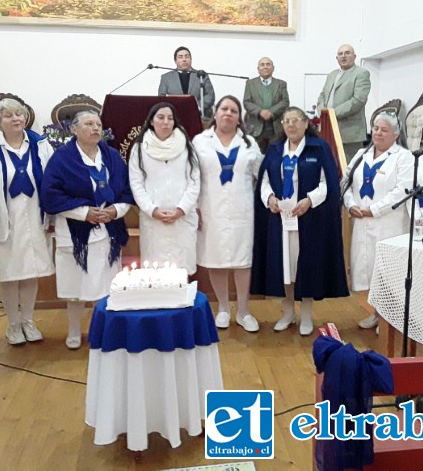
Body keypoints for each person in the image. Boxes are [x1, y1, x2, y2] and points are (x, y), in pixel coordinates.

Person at [251, 107, 349, 336]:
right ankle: (287, 313)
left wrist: (309, 201)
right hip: (280, 220)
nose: (291, 125)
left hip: (308, 220)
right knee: (283, 267)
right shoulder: (275, 150)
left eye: (296, 120)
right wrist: (270, 198)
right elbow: (264, 180)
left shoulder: (319, 148)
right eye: (286, 121)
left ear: (306, 124)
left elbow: (328, 183)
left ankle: (306, 315)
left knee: (305, 266)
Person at [40, 111, 134, 349]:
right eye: (89, 124)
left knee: (106, 284)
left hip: (108, 229)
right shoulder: (62, 158)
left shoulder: (111, 156)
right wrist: (84, 213)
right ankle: (73, 330)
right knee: (76, 285)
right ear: (73, 130)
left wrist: (115, 211)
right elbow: (51, 196)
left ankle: (103, 328)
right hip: (76, 233)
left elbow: (125, 190)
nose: (95, 128)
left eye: (99, 124)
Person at [0, 98, 54, 345]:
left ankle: (29, 321)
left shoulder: (41, 145)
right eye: (9, 115)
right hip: (6, 219)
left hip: (34, 215)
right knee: (10, 273)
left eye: (19, 114)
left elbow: (52, 180)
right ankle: (13, 324)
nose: (16, 119)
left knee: (31, 272)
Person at [193, 96, 262, 332]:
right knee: (217, 259)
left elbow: (261, 174)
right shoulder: (200, 141)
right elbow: (193, 176)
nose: (228, 113)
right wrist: (195, 207)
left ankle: (243, 311)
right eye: (224, 109)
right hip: (210, 208)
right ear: (215, 113)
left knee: (242, 262)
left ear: (239, 116)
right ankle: (222, 308)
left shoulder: (249, 142)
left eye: (234, 110)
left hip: (242, 210)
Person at [341, 112, 412, 330]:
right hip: (361, 220)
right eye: (376, 128)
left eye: (384, 130)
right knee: (369, 268)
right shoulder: (362, 154)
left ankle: (390, 320)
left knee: (388, 271)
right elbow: (347, 180)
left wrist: (374, 210)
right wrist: (350, 203)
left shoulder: (404, 157)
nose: (378, 133)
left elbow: (403, 190)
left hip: (387, 223)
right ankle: (376, 313)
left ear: (396, 134)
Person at [128, 102, 200, 274]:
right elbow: (136, 183)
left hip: (182, 218)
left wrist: (182, 209)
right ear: (151, 121)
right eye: (160, 118)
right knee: (155, 272)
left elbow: (194, 181)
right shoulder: (140, 148)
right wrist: (151, 210)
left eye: (170, 118)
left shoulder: (186, 147)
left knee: (182, 271)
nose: (166, 122)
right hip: (153, 219)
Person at [316, 44, 371, 162]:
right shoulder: (332, 74)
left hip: (349, 132)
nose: (343, 56)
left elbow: (358, 100)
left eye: (347, 53)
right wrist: (322, 111)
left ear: (354, 56)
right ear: (337, 58)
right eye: (340, 54)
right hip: (328, 128)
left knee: (348, 168)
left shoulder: (361, 73)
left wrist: (332, 114)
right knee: (329, 165)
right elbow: (322, 96)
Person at [243, 57, 290, 153]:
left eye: (268, 64)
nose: (265, 67)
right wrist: (260, 112)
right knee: (255, 159)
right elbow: (247, 102)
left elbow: (285, 102)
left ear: (273, 68)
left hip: (276, 129)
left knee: (275, 159)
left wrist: (271, 112)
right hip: (255, 129)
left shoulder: (281, 84)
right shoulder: (250, 83)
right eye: (262, 64)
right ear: (258, 69)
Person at [158, 46, 216, 118]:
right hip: (174, 116)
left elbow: (210, 95)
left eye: (187, 56)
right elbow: (161, 97)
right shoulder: (166, 78)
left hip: (197, 115)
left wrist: (197, 106)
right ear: (175, 61)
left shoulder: (201, 75)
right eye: (180, 57)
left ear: (191, 59)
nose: (184, 59)